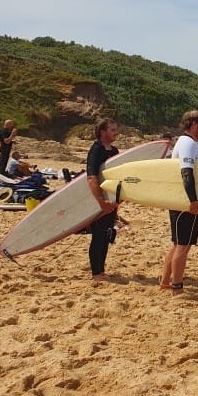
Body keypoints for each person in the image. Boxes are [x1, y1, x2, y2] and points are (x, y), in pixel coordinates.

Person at [160, 110, 198, 295]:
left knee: (178, 243)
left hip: (181, 200)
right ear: (194, 124)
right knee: (183, 246)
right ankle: (177, 287)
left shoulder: (187, 142)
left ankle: (165, 282)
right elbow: (186, 173)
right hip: (185, 202)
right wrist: (193, 200)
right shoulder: (187, 143)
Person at [85, 118, 120, 282]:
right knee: (98, 236)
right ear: (102, 132)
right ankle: (96, 272)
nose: (115, 133)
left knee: (106, 236)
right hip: (98, 201)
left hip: (111, 201)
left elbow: (118, 178)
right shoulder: (96, 150)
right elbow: (91, 178)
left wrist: (116, 202)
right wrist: (101, 202)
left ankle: (102, 270)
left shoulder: (114, 151)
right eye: (112, 130)